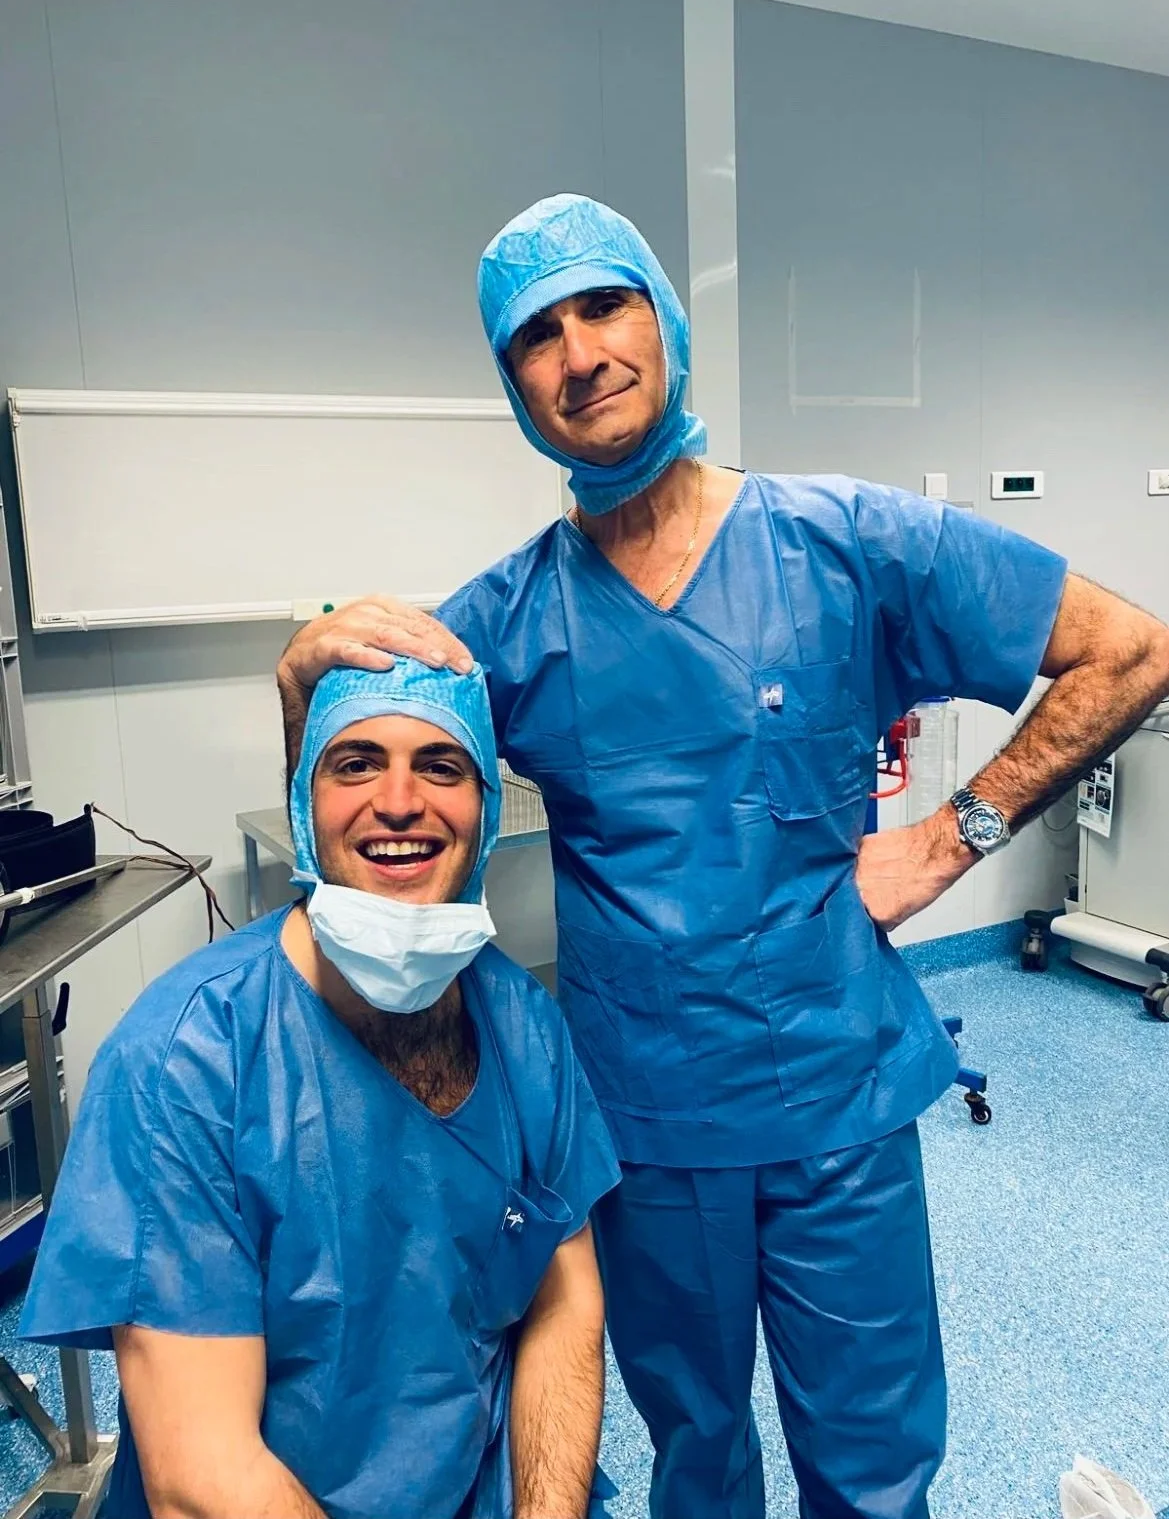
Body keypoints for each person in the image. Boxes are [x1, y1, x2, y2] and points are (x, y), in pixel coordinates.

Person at [276, 194, 1169, 1519]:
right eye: (536, 333)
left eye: (604, 305)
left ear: (664, 320)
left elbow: (1130, 647)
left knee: (870, 1465)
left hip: (837, 1101)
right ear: (514, 381)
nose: (578, 351)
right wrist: (300, 685)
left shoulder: (851, 542)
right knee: (694, 1455)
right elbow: (355, 799)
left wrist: (947, 835)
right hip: (645, 1118)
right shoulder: (505, 620)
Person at [21, 658, 620, 1519]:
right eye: (356, 762)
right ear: (305, 808)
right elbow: (203, 1474)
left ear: (485, 812)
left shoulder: (525, 1028)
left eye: (442, 766)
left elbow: (565, 1308)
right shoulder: (187, 1063)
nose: (401, 799)